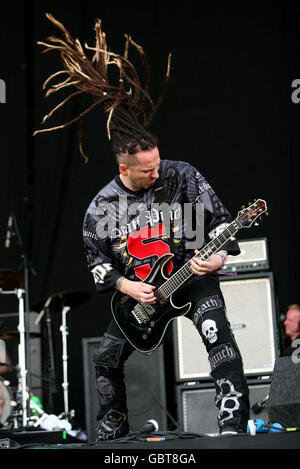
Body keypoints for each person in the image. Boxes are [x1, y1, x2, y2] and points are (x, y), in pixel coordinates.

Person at [34, 14, 250, 441]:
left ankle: (233, 426)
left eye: (157, 164)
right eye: (147, 171)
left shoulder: (182, 175)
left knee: (217, 334)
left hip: (193, 276)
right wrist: (126, 287)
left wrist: (219, 256)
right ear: (123, 167)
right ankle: (113, 436)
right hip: (142, 294)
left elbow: (223, 221)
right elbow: (98, 262)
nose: (157, 174)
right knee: (106, 359)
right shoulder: (100, 207)